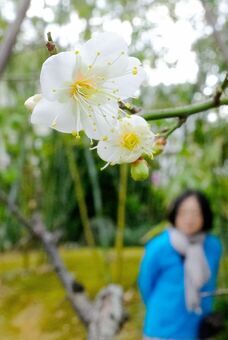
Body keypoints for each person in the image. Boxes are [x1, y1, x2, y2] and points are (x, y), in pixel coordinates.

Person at [138, 189, 223, 339]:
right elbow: (146, 285)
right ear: (175, 214)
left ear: (205, 215)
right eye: (183, 212)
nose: (189, 219)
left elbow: (210, 284)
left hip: (197, 327)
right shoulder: (158, 246)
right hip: (162, 328)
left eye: (196, 213)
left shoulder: (213, 246)